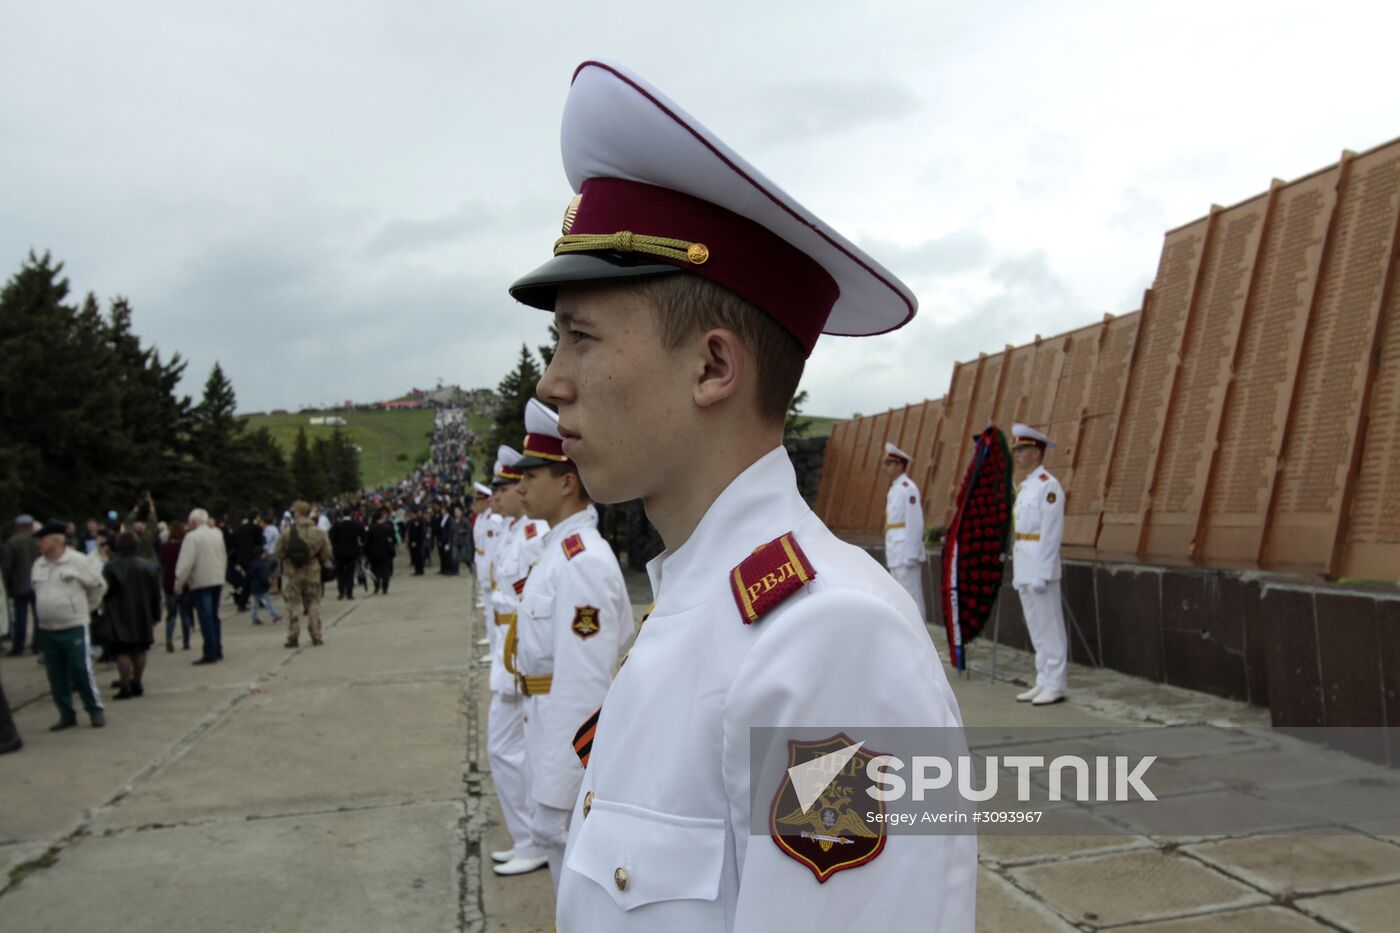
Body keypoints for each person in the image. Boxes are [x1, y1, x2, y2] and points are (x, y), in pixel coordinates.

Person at [507, 61, 973, 930]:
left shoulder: (828, 647)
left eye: (579, 338)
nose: (552, 382)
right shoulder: (702, 604)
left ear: (714, 365)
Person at [506, 399, 633, 885]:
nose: (520, 486)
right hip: (543, 723)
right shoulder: (558, 551)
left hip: (566, 745)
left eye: (531, 475)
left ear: (566, 482)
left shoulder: (581, 562)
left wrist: (558, 794)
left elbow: (584, 685)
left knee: (572, 887)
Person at [485, 447, 549, 877]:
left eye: (506, 487)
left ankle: (533, 838)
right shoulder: (516, 532)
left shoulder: (538, 537)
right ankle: (528, 837)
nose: (505, 495)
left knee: (512, 750)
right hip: (512, 649)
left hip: (525, 656)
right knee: (506, 749)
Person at [1009, 423, 1068, 706]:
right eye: (1016, 449)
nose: (1017, 453)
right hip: (1024, 563)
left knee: (1050, 626)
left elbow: (1051, 532)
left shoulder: (1049, 485)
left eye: (1022, 449)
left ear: (1036, 452)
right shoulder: (1027, 486)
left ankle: (1056, 683)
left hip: (1040, 565)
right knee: (1035, 626)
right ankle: (1043, 678)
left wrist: (1043, 572)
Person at [30, 519, 107, 730]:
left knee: (81, 670)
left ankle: (94, 709)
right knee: (55, 675)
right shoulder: (39, 564)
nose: (38, 543)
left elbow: (98, 586)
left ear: (56, 540)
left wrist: (86, 609)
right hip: (47, 628)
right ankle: (66, 713)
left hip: (73, 625)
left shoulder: (77, 561)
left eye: (41, 539)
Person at [102, 532, 162, 699]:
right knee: (141, 648)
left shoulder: (112, 567)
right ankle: (137, 681)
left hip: (119, 612)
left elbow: (105, 592)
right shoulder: (150, 566)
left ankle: (125, 685)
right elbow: (156, 593)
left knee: (122, 650)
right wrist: (156, 613)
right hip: (143, 611)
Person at [174, 508, 228, 666]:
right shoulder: (217, 534)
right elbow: (223, 555)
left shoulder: (191, 537)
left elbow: (185, 564)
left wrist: (178, 584)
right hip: (217, 578)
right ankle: (217, 648)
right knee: (214, 616)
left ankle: (209, 652)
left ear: (192, 523)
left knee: (205, 618)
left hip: (201, 581)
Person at [882, 441, 928, 623]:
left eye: (889, 463)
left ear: (900, 465)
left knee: (912, 596)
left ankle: (921, 635)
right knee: (901, 596)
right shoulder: (894, 489)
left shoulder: (908, 488)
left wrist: (911, 553)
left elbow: (915, 522)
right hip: (895, 549)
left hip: (904, 552)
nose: (885, 468)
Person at [275, 500, 332, 648]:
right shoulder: (318, 532)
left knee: (292, 605)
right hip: (312, 571)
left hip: (292, 572)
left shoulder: (287, 532)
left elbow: (278, 552)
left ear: (298, 513)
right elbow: (327, 554)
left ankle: (293, 635)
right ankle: (316, 634)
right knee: (313, 602)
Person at [2, 514, 40, 656]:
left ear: (18, 526)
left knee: (20, 617)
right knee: (38, 617)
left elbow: (7, 565)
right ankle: (38, 645)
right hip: (38, 583)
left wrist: (7, 584)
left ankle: (19, 647)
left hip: (20, 584)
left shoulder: (13, 541)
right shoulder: (38, 540)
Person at [159, 521, 194, 652]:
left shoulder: (164, 547)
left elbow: (161, 564)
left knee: (171, 615)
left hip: (169, 583)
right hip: (184, 582)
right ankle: (186, 641)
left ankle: (169, 637)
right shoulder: (185, 546)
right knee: (185, 614)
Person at [329, 510, 366, 600]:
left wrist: (335, 547)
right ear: (351, 514)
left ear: (342, 514)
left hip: (339, 553)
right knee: (350, 573)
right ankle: (350, 593)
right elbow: (363, 537)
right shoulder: (356, 524)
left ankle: (341, 592)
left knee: (340, 573)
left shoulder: (337, 525)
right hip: (352, 552)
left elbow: (331, 538)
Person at [365, 508, 397, 594]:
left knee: (375, 570)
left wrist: (366, 552)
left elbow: (367, 541)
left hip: (374, 553)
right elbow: (393, 539)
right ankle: (385, 587)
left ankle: (376, 586)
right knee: (385, 570)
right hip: (385, 552)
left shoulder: (372, 527)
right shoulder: (388, 527)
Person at [246, 552, 281, 625]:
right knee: (268, 603)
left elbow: (249, 576)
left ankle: (254, 618)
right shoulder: (262, 565)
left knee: (255, 604)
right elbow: (263, 577)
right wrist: (268, 585)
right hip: (261, 587)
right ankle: (275, 616)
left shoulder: (252, 564)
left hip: (254, 587)